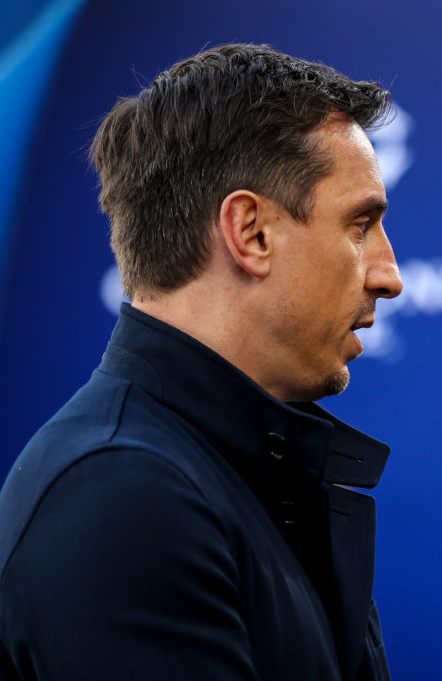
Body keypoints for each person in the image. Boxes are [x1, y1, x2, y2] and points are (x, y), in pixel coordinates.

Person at [0, 43, 402, 680]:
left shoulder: (252, 474)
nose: (390, 274)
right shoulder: (120, 493)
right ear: (250, 233)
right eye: (361, 224)